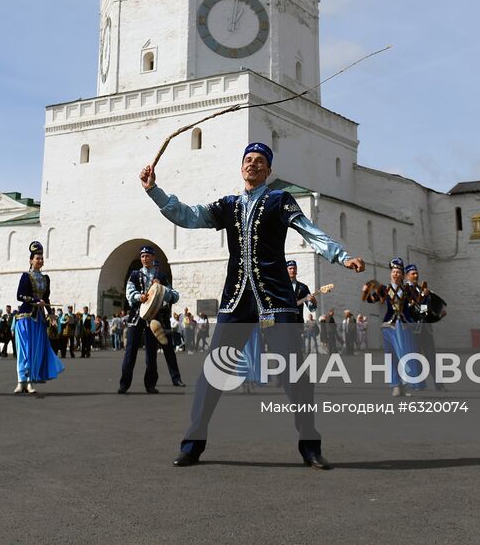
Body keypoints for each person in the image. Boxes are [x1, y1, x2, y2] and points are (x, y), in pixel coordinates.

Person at [141, 141, 366, 470]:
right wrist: (154, 190)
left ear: (269, 170)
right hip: (236, 301)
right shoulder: (228, 205)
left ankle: (310, 447)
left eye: (260, 160)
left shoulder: (279, 200)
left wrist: (341, 256)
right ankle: (192, 444)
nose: (253, 164)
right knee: (213, 373)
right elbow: (188, 216)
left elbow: (307, 229)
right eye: (248, 159)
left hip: (275, 301)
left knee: (294, 376)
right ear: (241, 167)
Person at [118, 245, 178, 394]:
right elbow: (129, 293)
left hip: (153, 319)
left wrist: (162, 290)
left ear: (153, 257)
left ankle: (150, 384)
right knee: (130, 351)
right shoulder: (134, 275)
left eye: (148, 256)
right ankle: (124, 384)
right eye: (143, 256)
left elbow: (175, 296)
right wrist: (139, 296)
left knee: (151, 354)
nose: (145, 258)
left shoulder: (162, 277)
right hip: (136, 317)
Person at [362, 259, 422, 396]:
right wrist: (365, 292)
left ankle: (407, 384)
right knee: (391, 356)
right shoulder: (385, 289)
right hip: (388, 325)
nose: (395, 274)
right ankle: (396, 385)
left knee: (404, 354)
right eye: (393, 272)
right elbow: (371, 300)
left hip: (403, 325)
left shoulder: (408, 290)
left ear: (402, 275)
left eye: (398, 272)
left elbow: (418, 304)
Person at [13, 241, 65, 393]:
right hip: (25, 318)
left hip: (39, 319)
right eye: (37, 258)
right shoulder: (25, 276)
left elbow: (46, 299)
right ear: (31, 260)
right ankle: (20, 380)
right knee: (24, 350)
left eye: (42, 258)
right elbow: (20, 296)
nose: (40, 261)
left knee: (35, 351)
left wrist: (51, 314)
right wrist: (36, 301)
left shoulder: (46, 278)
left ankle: (30, 381)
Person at [405, 264, 447, 391]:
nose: (416, 275)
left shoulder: (422, 289)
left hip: (425, 328)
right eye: (413, 274)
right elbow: (409, 308)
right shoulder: (405, 290)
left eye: (416, 273)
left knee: (431, 357)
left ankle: (439, 384)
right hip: (413, 329)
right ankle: (417, 383)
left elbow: (425, 309)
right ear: (407, 275)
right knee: (414, 357)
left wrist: (438, 314)